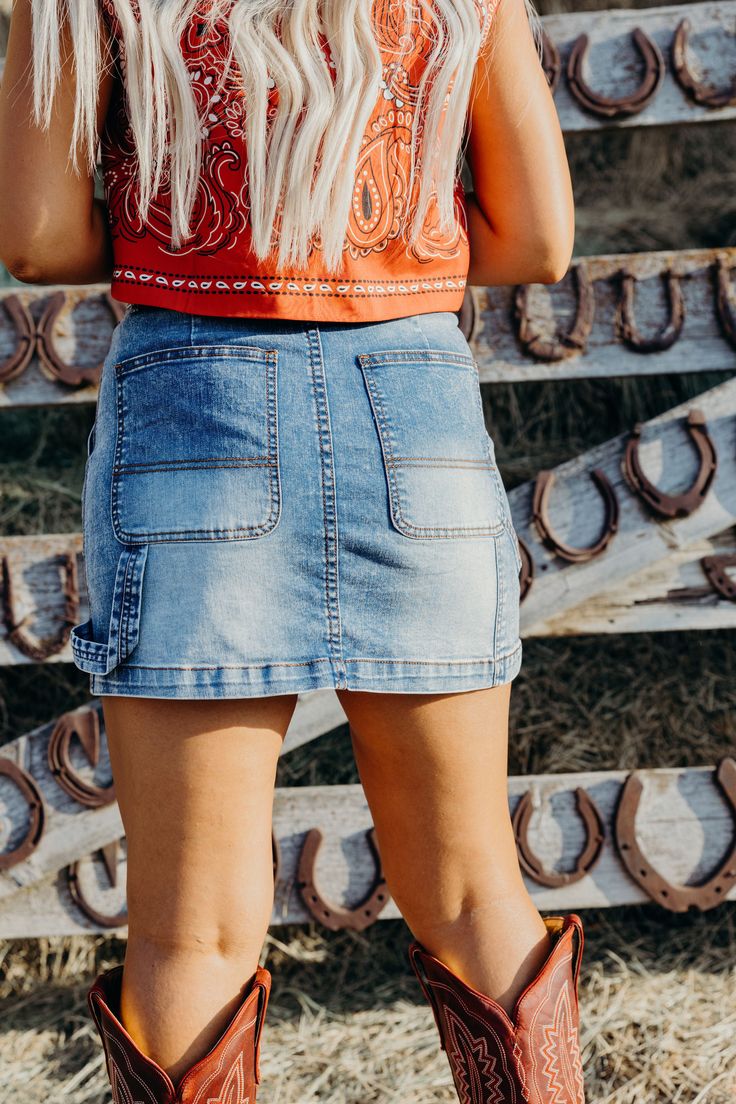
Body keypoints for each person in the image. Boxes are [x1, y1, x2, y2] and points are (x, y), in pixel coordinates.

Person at [0, 1, 583, 1101]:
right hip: (410, 398)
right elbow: (537, 238)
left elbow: (39, 238)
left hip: (194, 393)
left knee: (192, 936)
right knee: (474, 894)